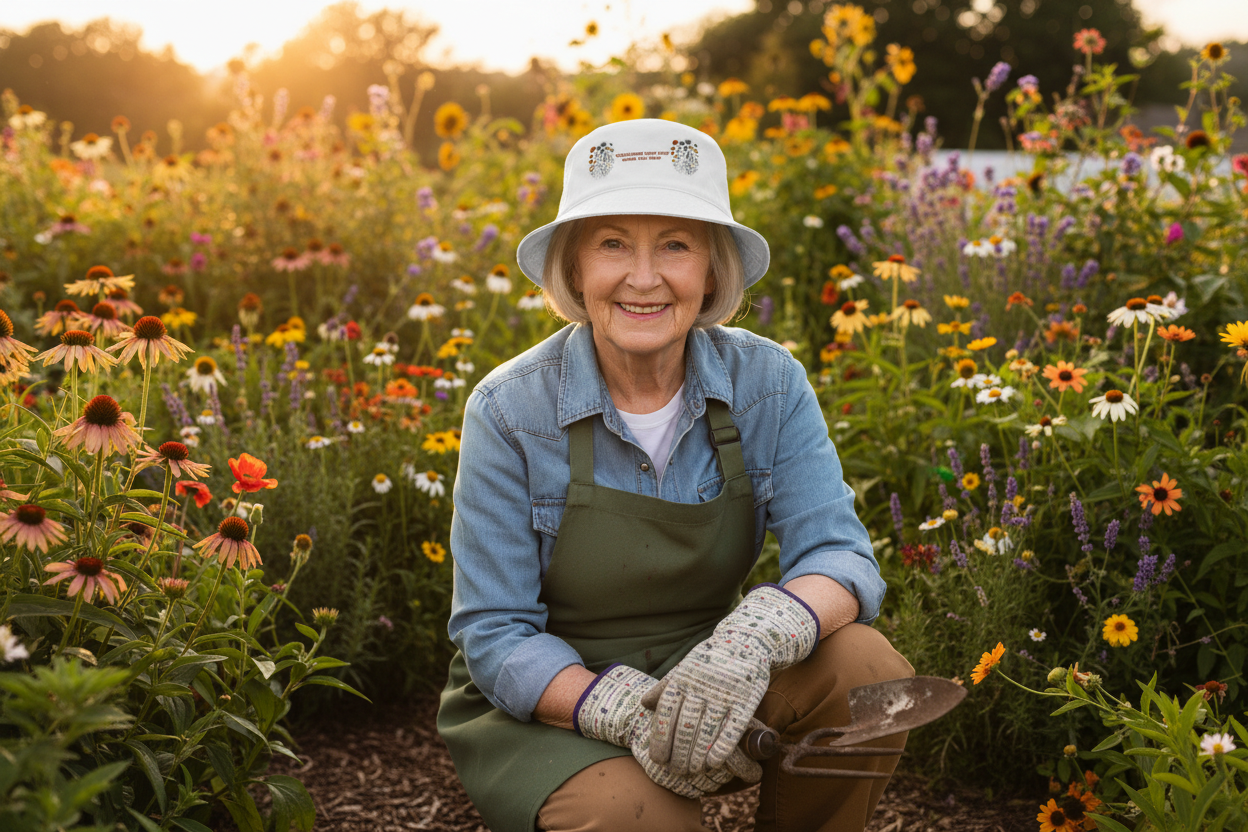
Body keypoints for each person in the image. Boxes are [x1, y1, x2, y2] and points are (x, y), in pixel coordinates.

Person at [437, 118, 912, 832]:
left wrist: (754, 640)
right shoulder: (510, 410)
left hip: (717, 667)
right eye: (612, 243)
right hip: (550, 706)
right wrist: (617, 707)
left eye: (676, 244)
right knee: (638, 817)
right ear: (573, 269)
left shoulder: (768, 383)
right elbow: (497, 632)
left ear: (713, 269)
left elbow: (840, 556)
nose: (644, 276)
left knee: (866, 670)